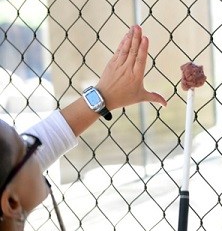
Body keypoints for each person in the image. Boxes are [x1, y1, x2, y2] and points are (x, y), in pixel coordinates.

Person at [0, 25, 167, 231]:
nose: (36, 144)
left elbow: (11, 168)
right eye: (27, 145)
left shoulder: (10, 184)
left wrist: (104, 96)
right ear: (11, 203)